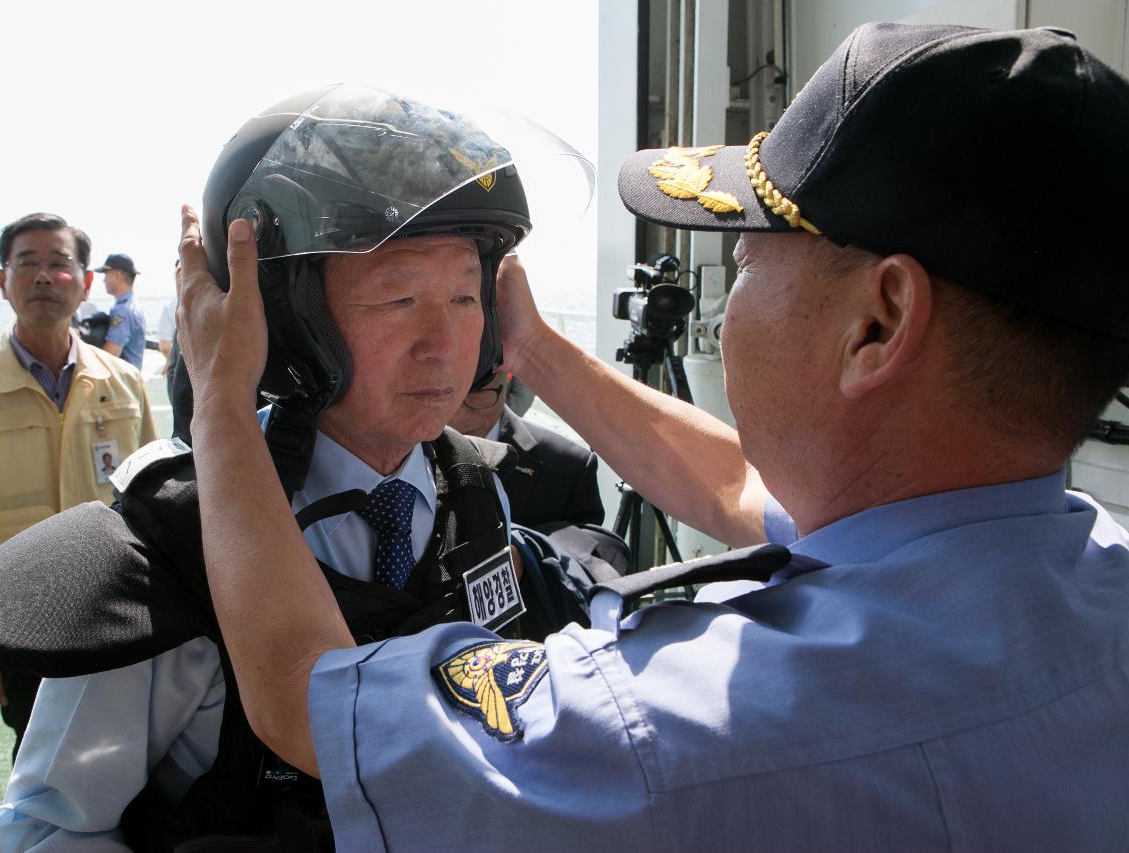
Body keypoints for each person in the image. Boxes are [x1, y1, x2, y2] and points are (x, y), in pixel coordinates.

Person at [176, 24, 1129, 850]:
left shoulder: (666, 731)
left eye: (747, 258)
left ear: (878, 322)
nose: (722, 313)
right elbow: (734, 488)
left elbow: (306, 690)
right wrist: (534, 350)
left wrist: (219, 410)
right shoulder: (1091, 573)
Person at [0, 87, 593, 849]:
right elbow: (49, 826)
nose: (445, 344)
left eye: (466, 297)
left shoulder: (477, 491)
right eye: (399, 299)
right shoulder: (174, 539)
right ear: (286, 318)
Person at [0, 213, 157, 757]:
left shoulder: (124, 385)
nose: (43, 276)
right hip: (17, 631)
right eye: (28, 264)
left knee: (136, 766)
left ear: (85, 283)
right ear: (3, 281)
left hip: (114, 620)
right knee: (42, 775)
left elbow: (151, 509)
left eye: (59, 264)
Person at [451, 368, 604, 528]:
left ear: (509, 373)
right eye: (447, 392)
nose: (458, 416)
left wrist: (528, 550)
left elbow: (590, 544)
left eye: (477, 391)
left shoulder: (571, 469)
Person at [95, 253, 146, 369]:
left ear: (118, 276)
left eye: (106, 274)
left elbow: (110, 355)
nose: (104, 280)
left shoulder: (123, 310)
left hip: (123, 383)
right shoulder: (133, 305)